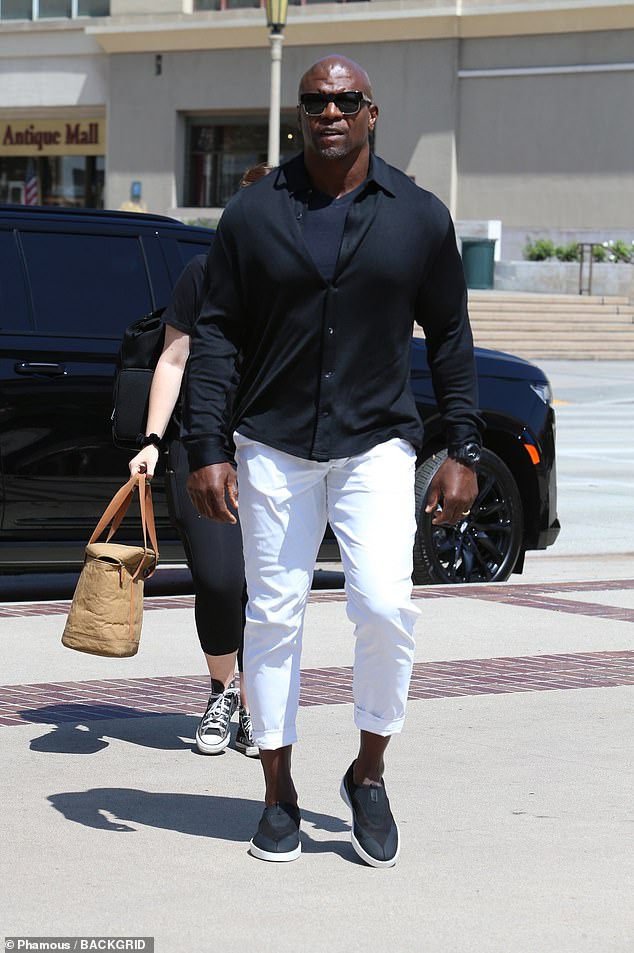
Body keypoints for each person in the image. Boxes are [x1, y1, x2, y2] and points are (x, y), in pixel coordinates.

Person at [183, 56, 482, 867]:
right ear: (300, 115)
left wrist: (464, 447)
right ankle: (277, 789)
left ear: (372, 112)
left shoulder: (419, 216)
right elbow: (213, 334)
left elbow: (451, 338)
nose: (330, 112)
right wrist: (206, 444)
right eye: (316, 101)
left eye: (346, 100)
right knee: (272, 617)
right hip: (272, 446)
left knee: (385, 607)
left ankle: (368, 772)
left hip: (377, 442)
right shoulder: (252, 213)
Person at [128, 162, 272, 758]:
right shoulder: (202, 273)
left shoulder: (300, 284)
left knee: (267, 590)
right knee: (218, 580)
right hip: (200, 447)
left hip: (271, 449)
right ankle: (223, 692)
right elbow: (172, 360)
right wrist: (154, 440)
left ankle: (255, 705)